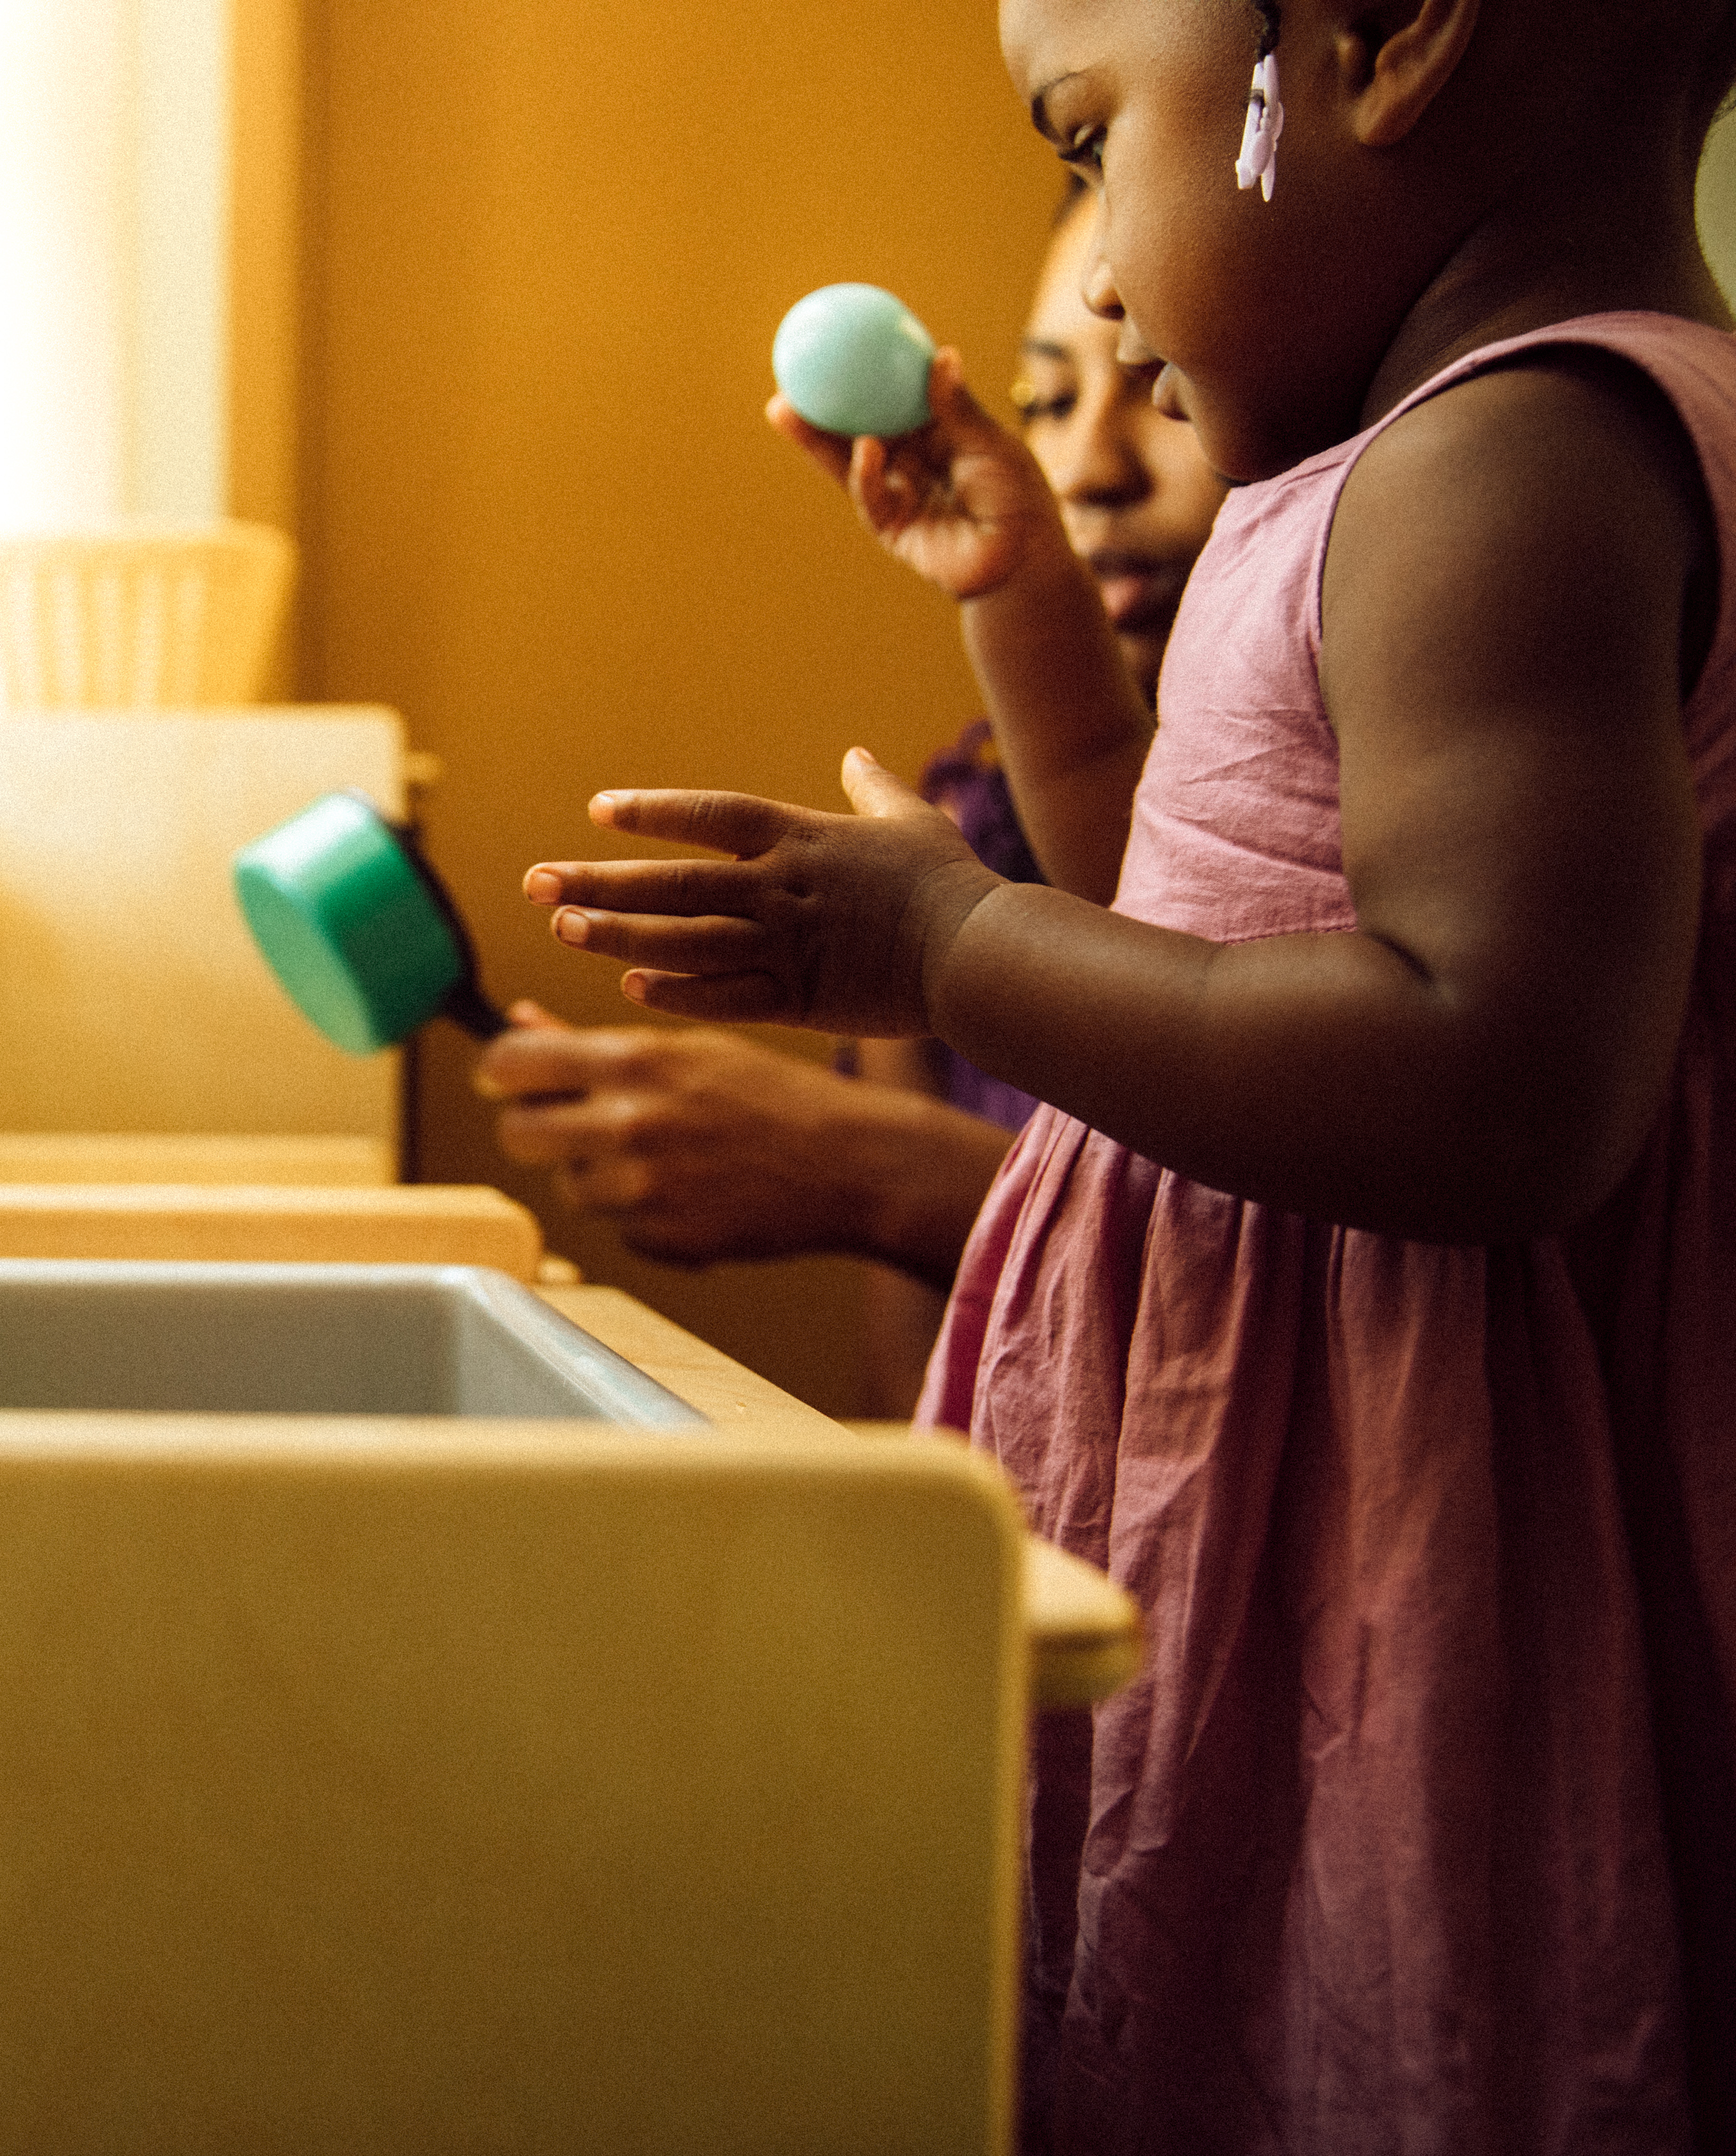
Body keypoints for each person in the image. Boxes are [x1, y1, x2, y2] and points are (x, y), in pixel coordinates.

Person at [529, 0, 1736, 2143]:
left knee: (1361, 2021)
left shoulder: (1513, 465)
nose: (1097, 254)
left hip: (1418, 1542)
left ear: (1386, 46)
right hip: (1321, 1503)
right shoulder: (1427, 467)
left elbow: (1492, 1079)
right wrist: (1034, 633)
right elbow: (1216, 963)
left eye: (1088, 141)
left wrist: (945, 939)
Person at [478, 177, 1227, 1416]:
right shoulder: (960, 820)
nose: (1088, 465)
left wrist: (881, 1174)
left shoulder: (1361, 831)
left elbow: (1322, 1257)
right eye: (1046, 398)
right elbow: (933, 1410)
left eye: (1159, 385)